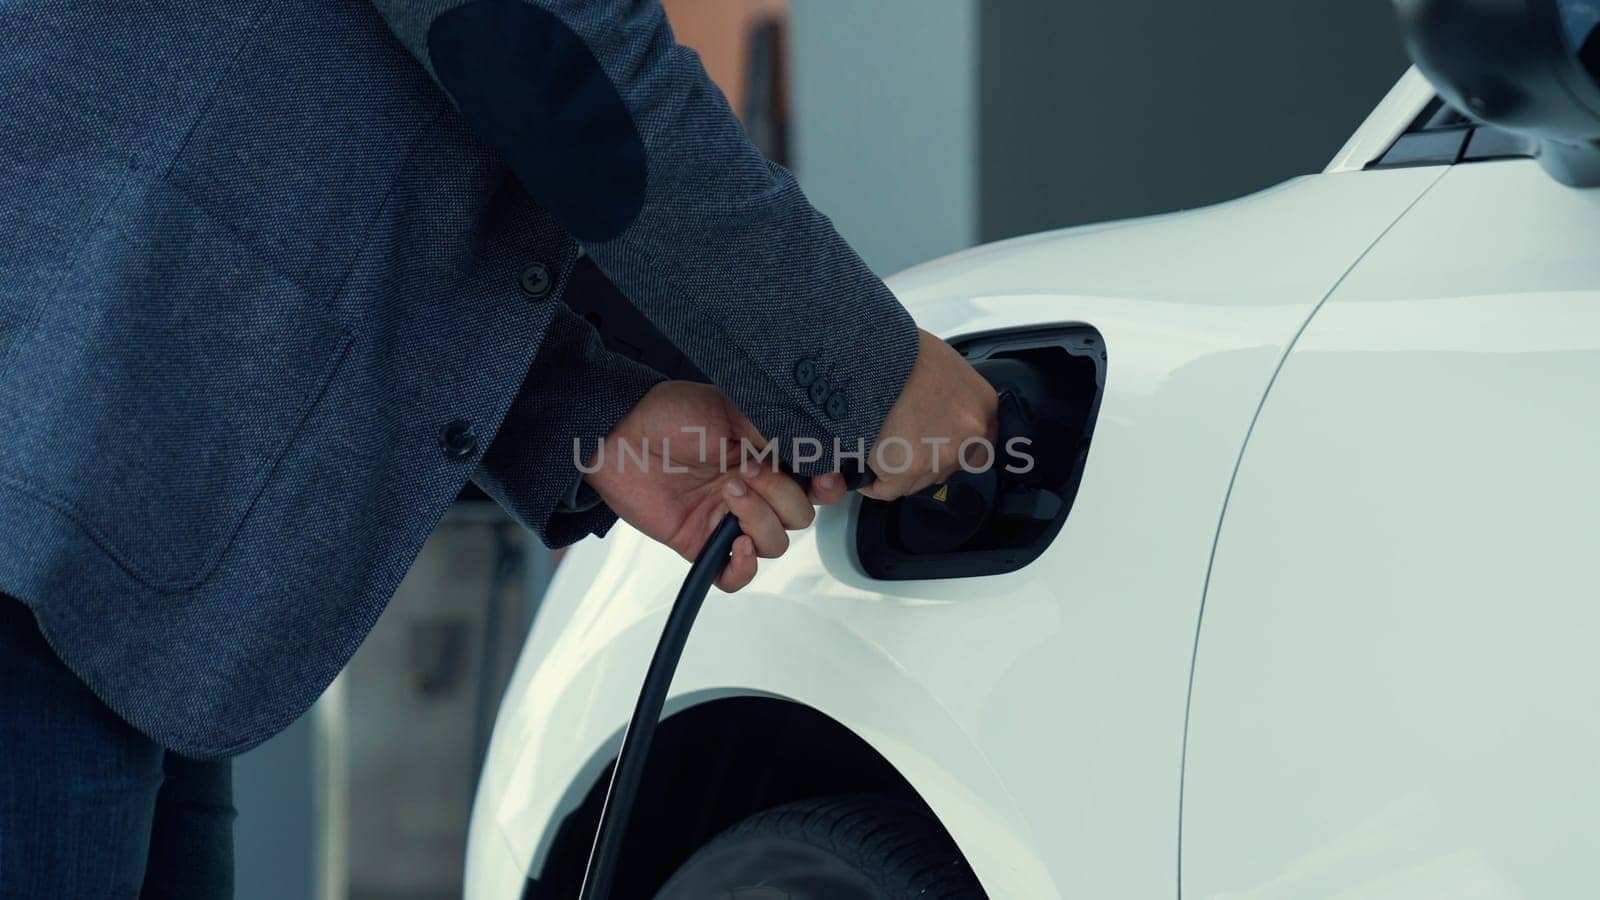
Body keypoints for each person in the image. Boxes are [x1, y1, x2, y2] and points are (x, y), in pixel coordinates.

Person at [0, 0, 998, 896]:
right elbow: (554, 51)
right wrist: (872, 379)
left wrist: (596, 416)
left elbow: (354, 139)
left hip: (109, 529)